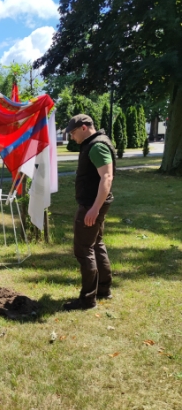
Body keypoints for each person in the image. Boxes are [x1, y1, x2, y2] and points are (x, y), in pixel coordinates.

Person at [63, 114, 116, 311]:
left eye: (74, 132)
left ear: (84, 128)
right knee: (97, 245)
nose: (72, 137)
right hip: (95, 204)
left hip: (91, 206)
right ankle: (103, 289)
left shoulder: (96, 146)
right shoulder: (95, 143)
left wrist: (94, 208)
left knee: (84, 250)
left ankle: (87, 299)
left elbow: (107, 178)